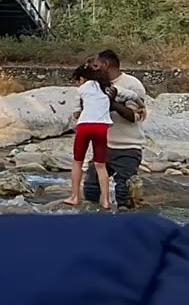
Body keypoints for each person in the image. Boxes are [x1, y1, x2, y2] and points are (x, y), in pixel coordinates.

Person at [83, 49, 148, 209]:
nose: (94, 69)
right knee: (91, 189)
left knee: (123, 193)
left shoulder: (133, 85)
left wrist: (112, 103)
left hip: (127, 148)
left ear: (106, 65)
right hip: (103, 146)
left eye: (97, 66)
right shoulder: (96, 85)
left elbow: (134, 116)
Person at [62, 63, 116, 209]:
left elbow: (76, 112)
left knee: (78, 161)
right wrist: (139, 104)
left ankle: (75, 197)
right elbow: (129, 95)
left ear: (82, 78)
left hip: (85, 126)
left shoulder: (81, 89)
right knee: (100, 164)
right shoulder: (107, 87)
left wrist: (79, 112)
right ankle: (105, 200)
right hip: (101, 127)